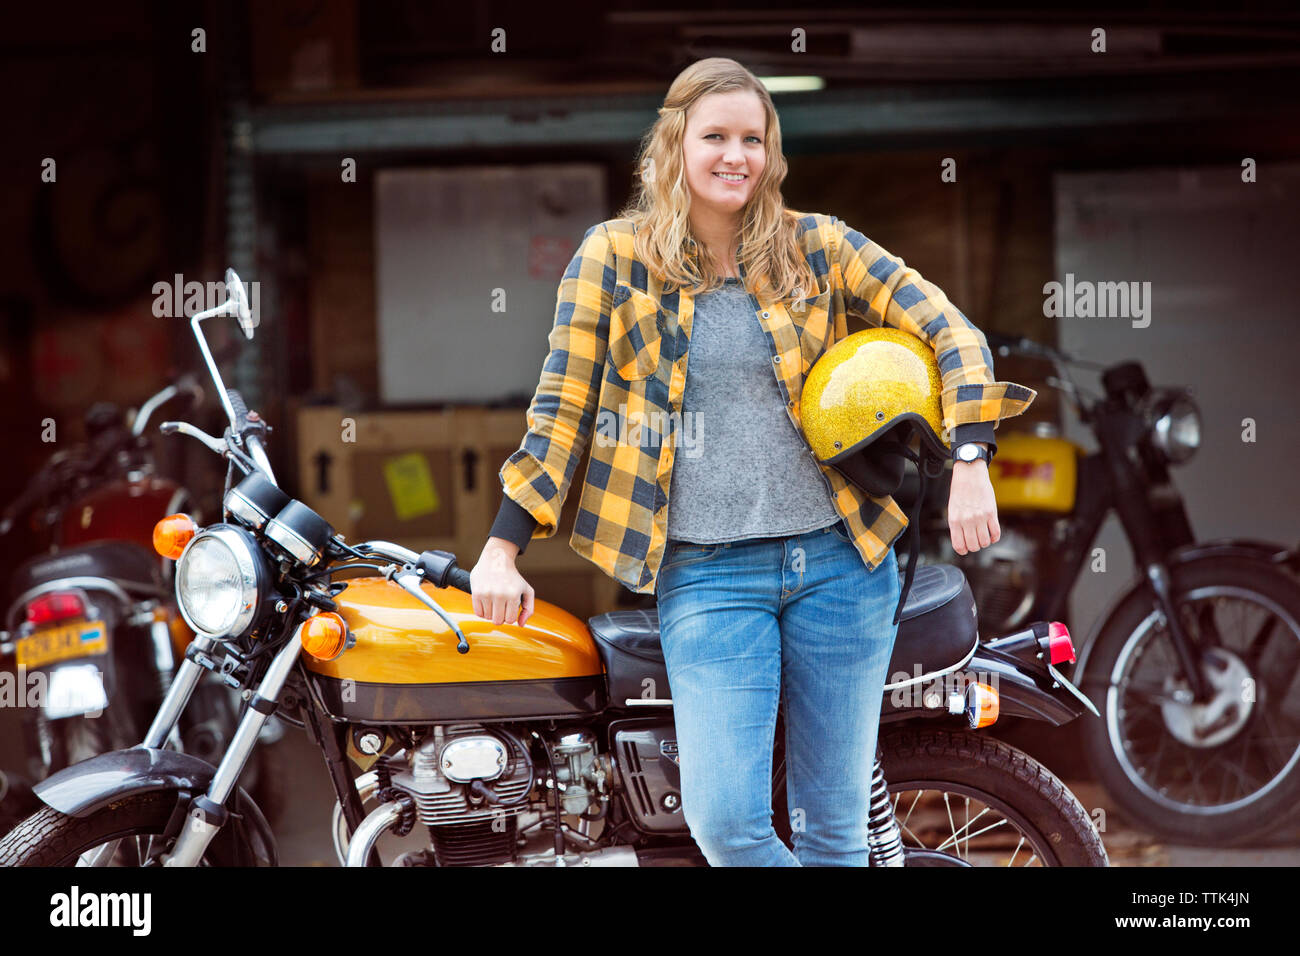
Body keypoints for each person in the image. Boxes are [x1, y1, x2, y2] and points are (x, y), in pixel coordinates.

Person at [469, 57, 1036, 865]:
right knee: (729, 823)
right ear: (674, 145)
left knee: (834, 831)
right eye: (715, 137)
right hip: (707, 575)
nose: (736, 156)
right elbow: (564, 405)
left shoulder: (818, 246)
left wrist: (972, 454)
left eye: (753, 139)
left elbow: (952, 332)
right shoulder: (613, 258)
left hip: (842, 565)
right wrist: (502, 545)